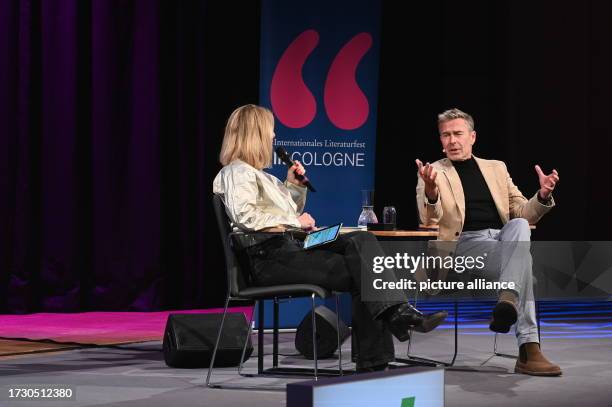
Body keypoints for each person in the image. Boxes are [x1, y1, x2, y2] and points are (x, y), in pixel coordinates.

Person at [213, 104, 447, 372]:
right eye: (270, 131)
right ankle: (381, 346)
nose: (274, 136)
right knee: (365, 271)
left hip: (288, 248)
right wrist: (294, 221)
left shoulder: (261, 175)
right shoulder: (236, 172)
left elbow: (285, 212)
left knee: (361, 240)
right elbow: (248, 219)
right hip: (267, 260)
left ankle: (394, 322)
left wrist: (293, 187)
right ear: (254, 133)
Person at [415, 108, 562, 376]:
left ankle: (508, 299)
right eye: (445, 135)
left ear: (472, 137)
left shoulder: (496, 168)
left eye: (458, 134)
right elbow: (429, 220)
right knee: (524, 262)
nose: (452, 141)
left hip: (503, 240)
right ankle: (529, 349)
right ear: (440, 140)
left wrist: (541, 196)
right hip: (464, 245)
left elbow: (520, 213)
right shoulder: (432, 172)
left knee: (518, 226)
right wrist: (431, 191)